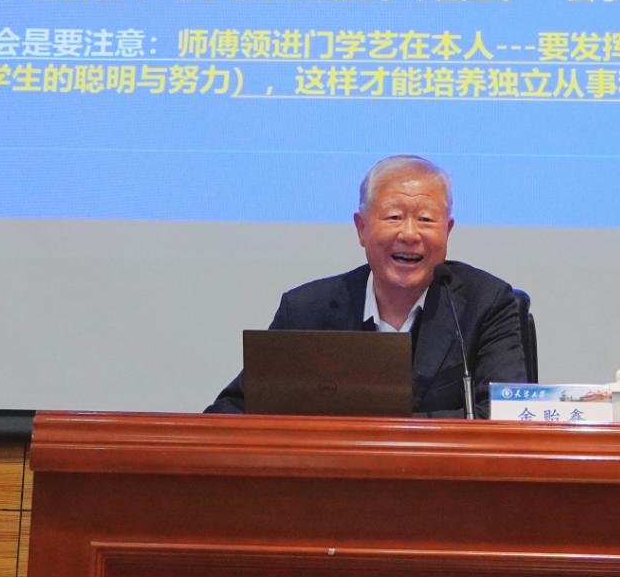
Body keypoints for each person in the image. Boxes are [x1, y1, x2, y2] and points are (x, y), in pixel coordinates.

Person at [205, 155, 528, 418]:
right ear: (361, 228)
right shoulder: (306, 310)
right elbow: (233, 410)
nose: (409, 234)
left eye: (426, 220)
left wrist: (383, 436)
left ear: (447, 230)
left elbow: (504, 414)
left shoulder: (485, 304)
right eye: (394, 217)